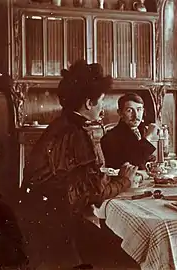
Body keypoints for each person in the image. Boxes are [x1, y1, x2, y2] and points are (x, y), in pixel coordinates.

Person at [19, 60, 138, 269]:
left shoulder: (61, 125)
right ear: (89, 103)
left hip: (37, 222)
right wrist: (124, 181)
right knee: (131, 262)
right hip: (55, 232)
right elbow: (92, 193)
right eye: (101, 101)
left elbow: (78, 180)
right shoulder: (76, 134)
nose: (102, 106)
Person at [100, 93, 159, 170]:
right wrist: (148, 137)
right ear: (120, 113)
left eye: (139, 109)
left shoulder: (143, 130)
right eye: (129, 110)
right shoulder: (110, 138)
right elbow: (133, 163)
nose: (136, 115)